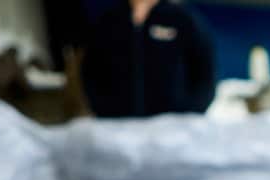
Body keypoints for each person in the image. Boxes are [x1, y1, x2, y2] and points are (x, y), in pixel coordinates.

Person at [81, 0, 216, 117]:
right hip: (118, 129)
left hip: (172, 131)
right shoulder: (108, 22)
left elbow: (205, 73)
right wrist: (104, 110)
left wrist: (188, 115)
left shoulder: (183, 19)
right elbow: (91, 72)